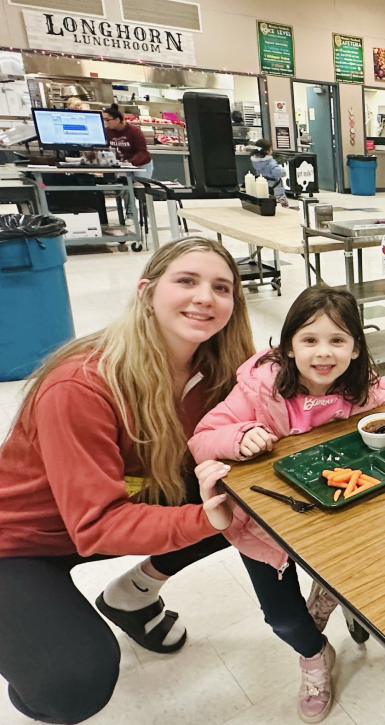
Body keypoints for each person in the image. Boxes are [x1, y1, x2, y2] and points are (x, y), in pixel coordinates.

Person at [0, 238, 254, 724]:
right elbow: (95, 525)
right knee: (72, 684)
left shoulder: (217, 367)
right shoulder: (82, 384)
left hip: (107, 505)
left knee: (248, 497)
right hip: (18, 541)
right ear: (146, 292)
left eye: (221, 287)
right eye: (186, 280)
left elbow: (282, 389)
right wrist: (202, 518)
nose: (205, 297)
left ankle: (131, 596)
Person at [189, 286, 385, 723]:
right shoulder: (260, 389)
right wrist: (240, 436)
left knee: (362, 580)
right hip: (264, 523)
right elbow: (202, 439)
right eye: (309, 340)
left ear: (357, 348)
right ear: (287, 347)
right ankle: (316, 658)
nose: (324, 353)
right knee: (284, 619)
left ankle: (332, 595)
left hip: (338, 519)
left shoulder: (361, 388)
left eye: (338, 340)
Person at [102, 103, 153, 177]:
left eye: (107, 120)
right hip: (122, 165)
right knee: (123, 185)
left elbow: (142, 151)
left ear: (117, 119)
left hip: (140, 164)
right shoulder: (107, 131)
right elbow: (104, 148)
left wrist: (130, 162)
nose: (105, 123)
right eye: (103, 120)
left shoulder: (134, 131)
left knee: (140, 186)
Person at [250, 139, 289, 207]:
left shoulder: (255, 161)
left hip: (263, 186)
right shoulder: (270, 162)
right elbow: (276, 172)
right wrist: (283, 172)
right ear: (267, 151)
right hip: (275, 188)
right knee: (283, 205)